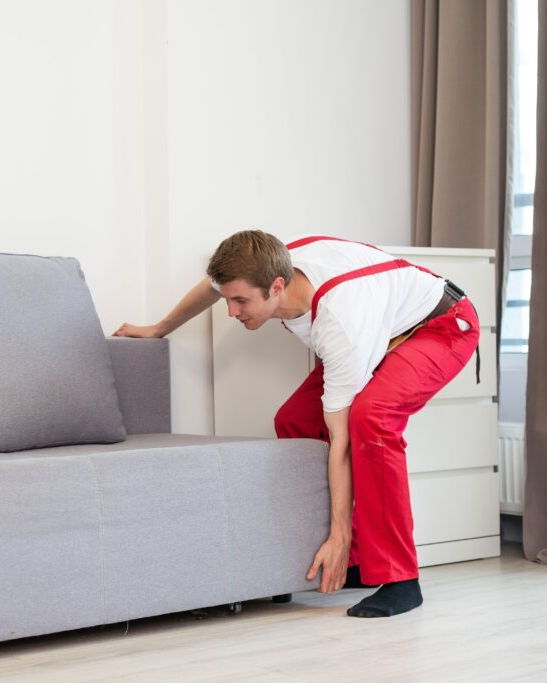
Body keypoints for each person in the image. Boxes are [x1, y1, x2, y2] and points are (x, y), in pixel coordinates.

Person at [114, 230, 480, 618]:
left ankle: (399, 578)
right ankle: (355, 562)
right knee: (293, 421)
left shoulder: (340, 323)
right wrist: (158, 329)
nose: (232, 311)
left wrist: (338, 535)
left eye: (241, 301)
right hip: (381, 329)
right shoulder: (265, 263)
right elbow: (211, 288)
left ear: (276, 287)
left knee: (372, 420)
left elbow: (340, 440)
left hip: (440, 326)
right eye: (229, 299)